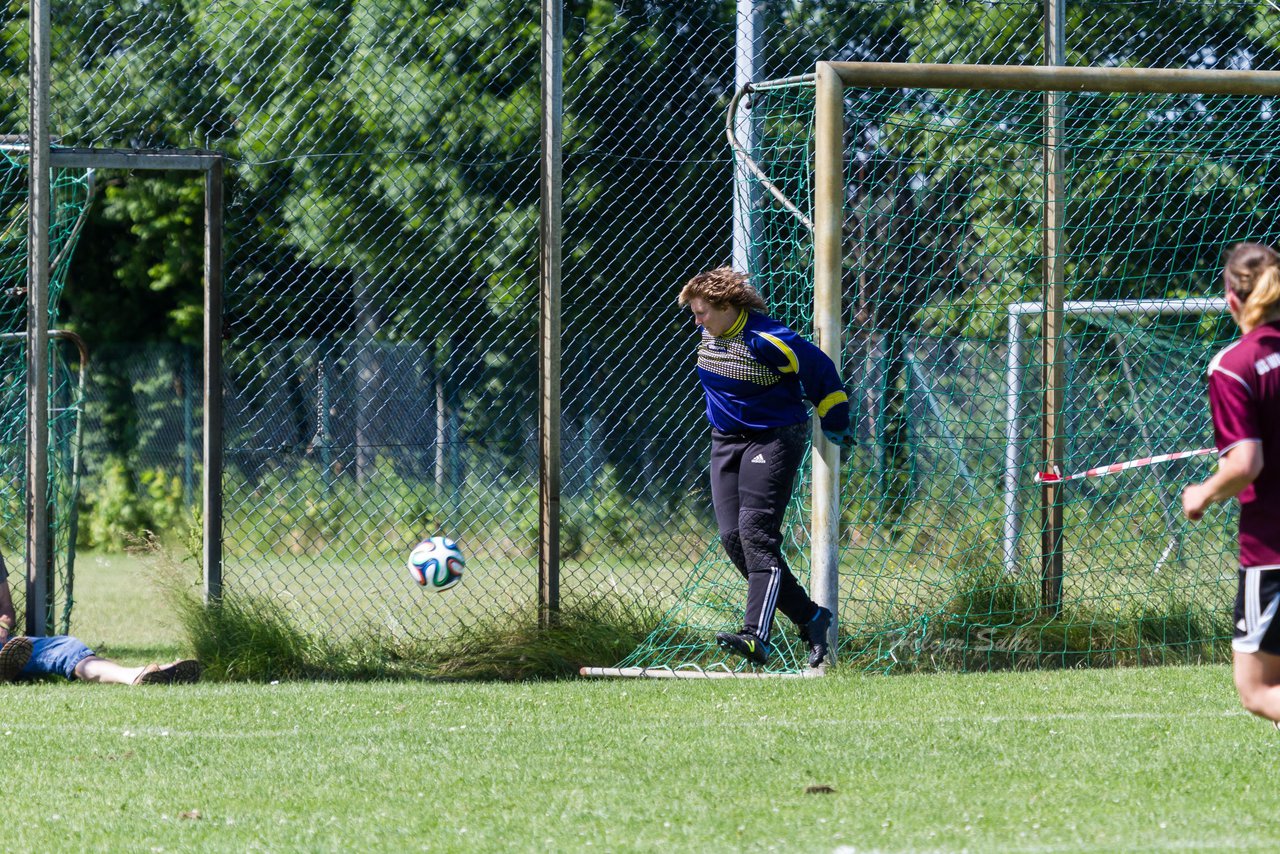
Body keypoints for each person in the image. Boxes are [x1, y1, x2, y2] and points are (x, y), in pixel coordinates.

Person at [678, 266, 855, 668]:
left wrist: (836, 418)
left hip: (773, 439)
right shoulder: (711, 333)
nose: (697, 320)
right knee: (733, 539)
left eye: (702, 312)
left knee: (757, 535)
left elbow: (821, 372)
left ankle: (757, 636)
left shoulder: (767, 338)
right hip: (726, 442)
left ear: (726, 306)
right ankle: (811, 617)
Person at [1182, 241, 1280, 728]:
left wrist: (1203, 492)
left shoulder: (1234, 366)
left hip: (1272, 548)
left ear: (1231, 297)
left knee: (1258, 690)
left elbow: (1246, 462)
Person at [0, 553, 201, 686]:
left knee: (68, 648)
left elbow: (6, 608)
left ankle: (135, 676)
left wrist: (3, 625)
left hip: (5, 645)